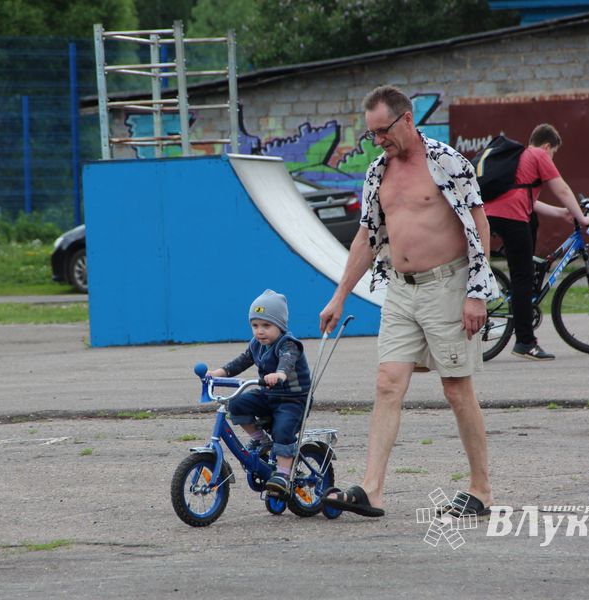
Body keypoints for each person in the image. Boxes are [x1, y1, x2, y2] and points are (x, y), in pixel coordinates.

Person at [318, 85, 496, 518]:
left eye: (383, 131)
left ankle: (481, 490)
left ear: (407, 120)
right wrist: (339, 295)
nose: (378, 141)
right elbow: (366, 236)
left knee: (456, 390)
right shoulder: (378, 171)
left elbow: (479, 223)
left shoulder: (447, 162)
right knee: (387, 382)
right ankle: (373, 489)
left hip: (449, 287)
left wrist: (477, 292)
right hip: (399, 288)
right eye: (372, 134)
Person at [484, 124, 589, 361]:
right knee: (522, 277)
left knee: (521, 272)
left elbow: (526, 199)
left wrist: (563, 213)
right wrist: (582, 217)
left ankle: (520, 320)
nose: (552, 157)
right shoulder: (537, 154)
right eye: (553, 153)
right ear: (547, 146)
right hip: (510, 218)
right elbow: (563, 189)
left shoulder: (522, 160)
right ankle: (525, 342)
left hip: (493, 215)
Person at [207, 289, 311, 498]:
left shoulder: (288, 343)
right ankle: (262, 439)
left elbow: (287, 361)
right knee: (236, 404)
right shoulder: (256, 344)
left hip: (293, 399)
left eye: (266, 325)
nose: (259, 331)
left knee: (283, 430)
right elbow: (242, 361)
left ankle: (282, 475)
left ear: (280, 325)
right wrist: (218, 374)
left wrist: (280, 374)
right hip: (269, 395)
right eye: (255, 325)